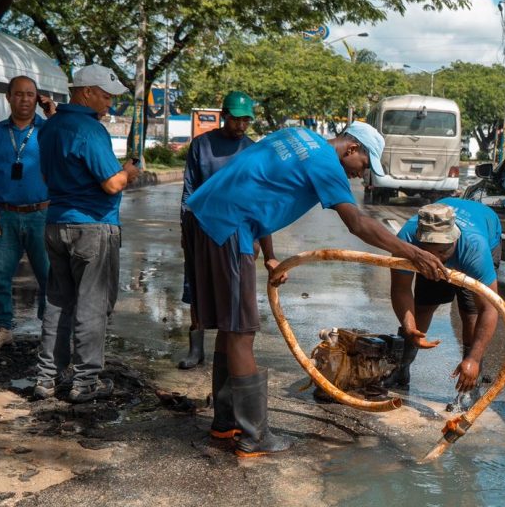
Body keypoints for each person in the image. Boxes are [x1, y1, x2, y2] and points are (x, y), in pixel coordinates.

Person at [184, 122, 446, 457]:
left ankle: (226, 424)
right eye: (365, 166)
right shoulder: (326, 162)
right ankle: (254, 438)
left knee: (230, 325)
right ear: (351, 149)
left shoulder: (298, 135)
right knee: (241, 331)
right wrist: (412, 252)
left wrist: (270, 255)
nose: (362, 176)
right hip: (227, 226)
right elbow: (357, 223)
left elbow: (256, 185)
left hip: (206, 213)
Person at [33, 64, 139, 403]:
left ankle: (47, 377)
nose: (110, 103)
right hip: (92, 226)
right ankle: (85, 382)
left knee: (58, 302)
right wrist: (130, 172)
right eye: (106, 96)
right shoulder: (89, 130)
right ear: (86, 92)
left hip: (56, 223)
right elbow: (111, 184)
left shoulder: (50, 127)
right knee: (93, 306)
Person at [384, 199, 502, 411]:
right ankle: (402, 368)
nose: (437, 259)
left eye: (442, 251)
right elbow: (401, 289)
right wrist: (409, 327)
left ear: (453, 239)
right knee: (423, 305)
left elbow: (490, 308)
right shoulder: (406, 239)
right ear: (419, 243)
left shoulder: (475, 249)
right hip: (433, 249)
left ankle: (470, 386)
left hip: (485, 228)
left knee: (471, 312)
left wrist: (473, 360)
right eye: (430, 252)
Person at [0, 76, 58, 352]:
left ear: (38, 99)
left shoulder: (48, 132)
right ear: (8, 97)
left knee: (49, 276)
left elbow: (65, 160)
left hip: (41, 215)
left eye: (30, 94)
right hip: (3, 216)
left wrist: (53, 116)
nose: (24, 99)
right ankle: (2, 328)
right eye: (19, 94)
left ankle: (50, 329)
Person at [178, 90, 258, 370]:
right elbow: (189, 190)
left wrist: (256, 237)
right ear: (224, 116)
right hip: (201, 228)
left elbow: (256, 198)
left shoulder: (251, 149)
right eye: (236, 120)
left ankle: (226, 352)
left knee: (234, 296)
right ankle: (195, 349)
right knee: (196, 287)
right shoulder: (201, 145)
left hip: (236, 233)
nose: (241, 126)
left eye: (246, 120)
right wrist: (185, 229)